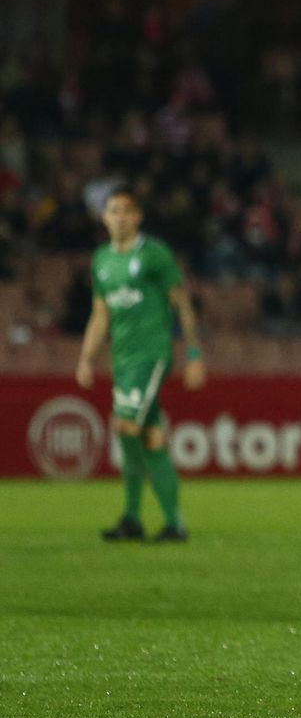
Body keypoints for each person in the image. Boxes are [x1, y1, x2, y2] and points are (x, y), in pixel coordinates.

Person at [76, 188, 206, 542]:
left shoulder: (154, 254)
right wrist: (86, 358)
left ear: (137, 217)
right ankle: (171, 524)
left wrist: (194, 355)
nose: (119, 217)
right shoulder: (102, 260)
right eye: (112, 211)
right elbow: (100, 314)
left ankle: (133, 517)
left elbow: (182, 304)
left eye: (125, 211)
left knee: (125, 426)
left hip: (153, 355)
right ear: (103, 218)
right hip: (124, 359)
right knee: (151, 437)